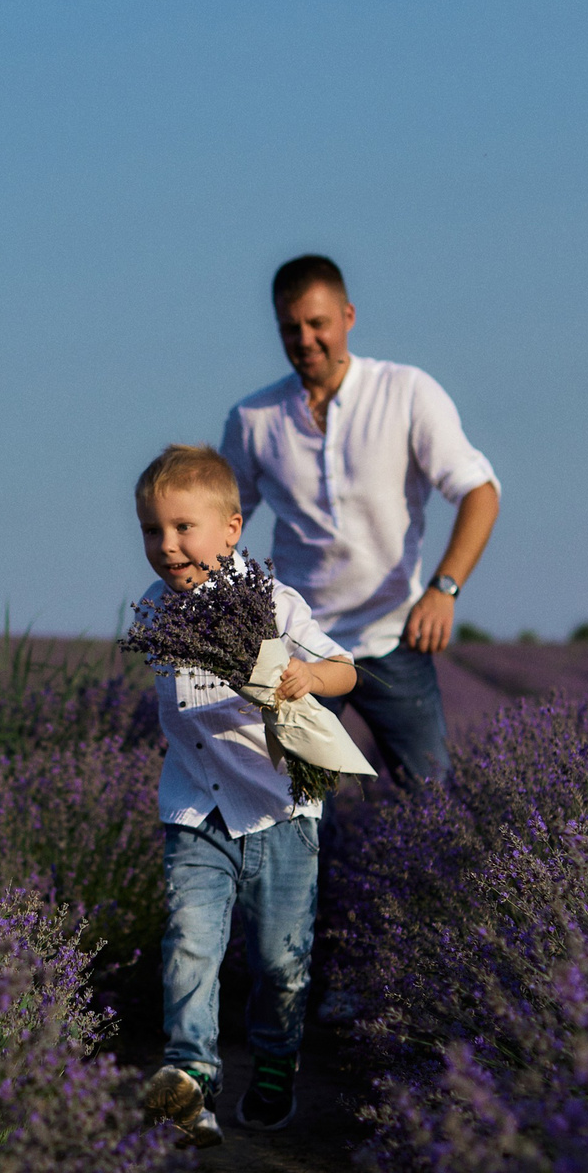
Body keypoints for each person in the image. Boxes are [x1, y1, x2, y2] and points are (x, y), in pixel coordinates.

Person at [130, 444, 356, 1146]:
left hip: (283, 810)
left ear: (231, 528)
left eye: (182, 528)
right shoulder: (153, 610)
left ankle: (276, 1059)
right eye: (152, 531)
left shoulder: (277, 602)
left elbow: (346, 670)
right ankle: (190, 1080)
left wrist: (307, 677)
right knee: (191, 944)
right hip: (197, 808)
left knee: (280, 961)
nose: (166, 546)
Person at [219, 255, 498, 789]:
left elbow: (480, 493)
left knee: (433, 802)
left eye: (317, 324)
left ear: (348, 316)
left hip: (394, 640)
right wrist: (239, 618)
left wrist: (444, 589)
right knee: (289, 808)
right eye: (290, 327)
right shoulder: (254, 420)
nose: (305, 339)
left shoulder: (407, 392)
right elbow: (219, 523)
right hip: (301, 651)